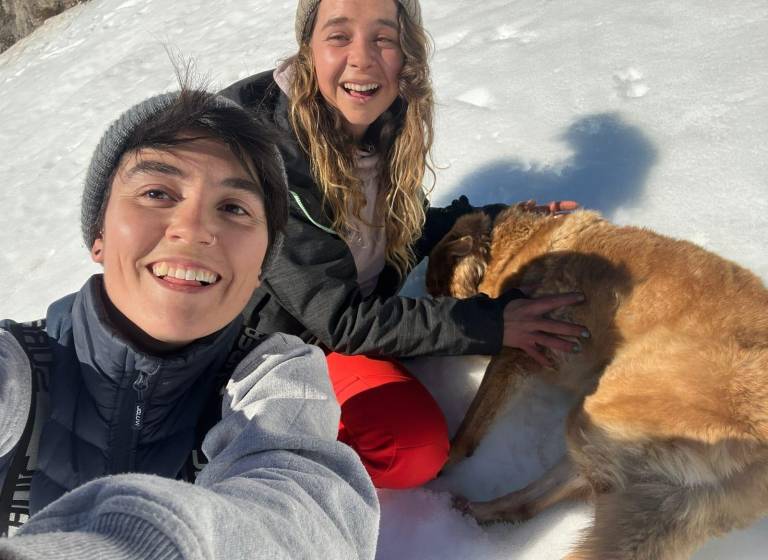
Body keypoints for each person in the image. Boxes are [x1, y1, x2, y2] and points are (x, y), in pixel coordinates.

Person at [221, 0, 589, 490]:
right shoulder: (266, 156)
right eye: (338, 36)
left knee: (411, 440)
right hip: (266, 349)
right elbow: (339, 318)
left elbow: (399, 229)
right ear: (308, 47)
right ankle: (261, 464)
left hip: (337, 332)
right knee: (408, 445)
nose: (362, 58)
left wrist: (492, 220)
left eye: (383, 37)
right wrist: (494, 324)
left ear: (406, 52)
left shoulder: (385, 121)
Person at [0, 88, 378, 559]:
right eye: (157, 193)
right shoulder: (15, 369)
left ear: (263, 264)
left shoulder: (273, 378)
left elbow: (309, 516)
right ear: (98, 234)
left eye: (234, 208)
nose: (195, 228)